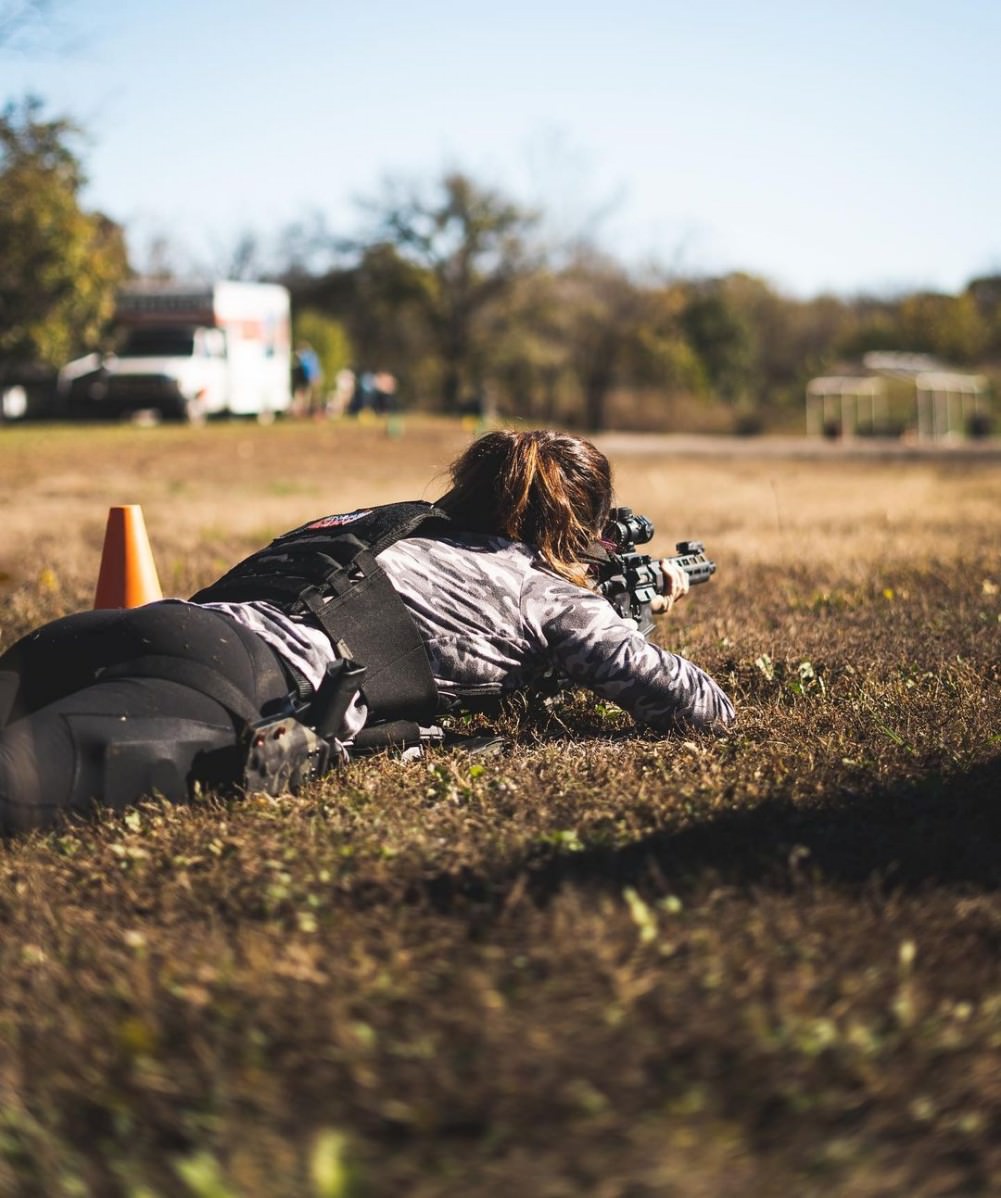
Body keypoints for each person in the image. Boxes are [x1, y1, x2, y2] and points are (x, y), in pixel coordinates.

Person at [0, 430, 734, 834]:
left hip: (143, 626)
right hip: (232, 678)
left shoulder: (391, 528)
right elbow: (699, 709)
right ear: (577, 529)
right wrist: (623, 611)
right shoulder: (544, 592)